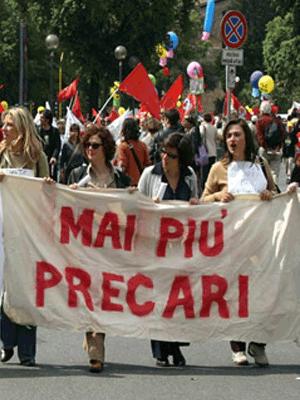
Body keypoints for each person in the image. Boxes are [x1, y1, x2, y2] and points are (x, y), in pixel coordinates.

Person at [201, 118, 277, 367]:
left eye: (237, 135)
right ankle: (237, 345)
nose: (232, 140)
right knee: (233, 294)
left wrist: (269, 195)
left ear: (247, 138)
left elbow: (276, 197)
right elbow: (202, 202)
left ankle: (258, 342)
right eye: (229, 136)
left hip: (260, 241)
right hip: (230, 242)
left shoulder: (261, 165)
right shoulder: (218, 169)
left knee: (263, 294)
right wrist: (216, 196)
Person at [68, 124, 130, 373]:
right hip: (84, 244)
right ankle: (95, 344)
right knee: (88, 293)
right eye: (87, 146)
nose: (90, 150)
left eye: (95, 145)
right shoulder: (76, 175)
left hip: (110, 246)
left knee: (104, 296)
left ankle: (97, 337)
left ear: (106, 148)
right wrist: (68, 193)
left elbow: (131, 209)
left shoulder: (120, 178)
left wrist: (132, 197)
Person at [138, 132, 198, 367]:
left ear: (181, 159)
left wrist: (195, 203)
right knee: (159, 297)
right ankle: (161, 349)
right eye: (163, 152)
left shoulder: (190, 177)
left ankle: (175, 346)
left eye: (171, 155)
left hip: (180, 248)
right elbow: (137, 206)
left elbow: (197, 204)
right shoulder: (149, 175)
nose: (165, 158)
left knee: (177, 299)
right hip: (155, 247)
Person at [0, 106, 49, 367]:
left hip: (28, 232)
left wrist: (48, 186)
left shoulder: (36, 156)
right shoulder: (0, 154)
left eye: (9, 125)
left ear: (21, 128)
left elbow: (46, 189)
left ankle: (27, 352)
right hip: (3, 230)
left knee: (27, 291)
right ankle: (7, 342)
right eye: (4, 125)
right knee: (4, 290)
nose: (4, 129)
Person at [256, 101, 285, 183]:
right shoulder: (277, 121)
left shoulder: (259, 121)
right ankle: (274, 190)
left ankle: (266, 189)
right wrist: (278, 147)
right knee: (274, 173)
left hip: (264, 150)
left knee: (263, 172)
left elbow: (260, 137)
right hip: (276, 150)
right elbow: (283, 135)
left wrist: (266, 147)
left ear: (261, 110)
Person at [115, 118, 150, 186]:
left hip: (128, 186)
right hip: (141, 184)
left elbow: (122, 167)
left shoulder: (123, 147)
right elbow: (147, 165)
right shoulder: (143, 145)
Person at [38, 109, 61, 180]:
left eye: (42, 118)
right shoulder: (38, 130)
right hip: (40, 159)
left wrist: (54, 156)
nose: (40, 119)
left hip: (51, 161)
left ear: (47, 120)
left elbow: (57, 146)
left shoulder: (55, 131)